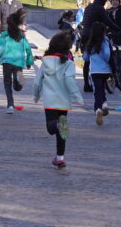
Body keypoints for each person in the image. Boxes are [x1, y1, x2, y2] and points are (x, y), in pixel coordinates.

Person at [33, 31, 84, 168]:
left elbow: (37, 82)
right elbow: (70, 80)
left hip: (50, 101)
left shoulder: (45, 62)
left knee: (51, 128)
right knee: (62, 130)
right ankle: (60, 157)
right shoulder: (69, 64)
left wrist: (36, 95)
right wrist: (77, 96)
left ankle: (56, 128)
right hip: (63, 102)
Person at [0, 9, 34, 114]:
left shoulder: (5, 35)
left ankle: (10, 105)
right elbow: (28, 49)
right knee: (17, 85)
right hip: (18, 62)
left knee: (7, 83)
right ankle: (19, 82)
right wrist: (29, 62)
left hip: (7, 62)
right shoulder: (21, 36)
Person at [80, 0, 119, 92]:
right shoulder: (100, 8)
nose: (105, 2)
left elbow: (85, 21)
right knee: (106, 52)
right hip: (93, 35)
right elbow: (107, 21)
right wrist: (117, 28)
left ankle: (86, 85)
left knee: (87, 61)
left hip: (84, 35)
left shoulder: (88, 7)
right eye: (105, 0)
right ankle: (107, 74)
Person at [83, 22, 112, 126]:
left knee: (97, 90)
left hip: (95, 71)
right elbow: (108, 53)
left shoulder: (90, 43)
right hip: (106, 71)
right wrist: (106, 60)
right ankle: (104, 103)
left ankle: (98, 109)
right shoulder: (106, 41)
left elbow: (85, 58)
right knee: (102, 88)